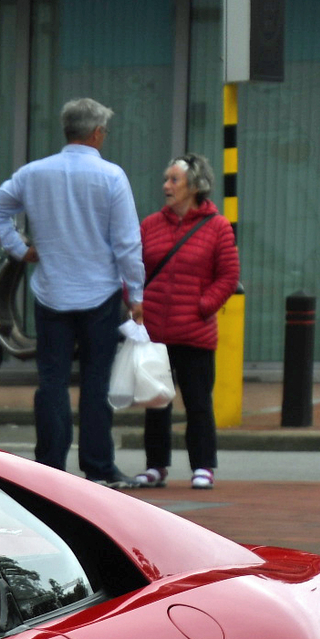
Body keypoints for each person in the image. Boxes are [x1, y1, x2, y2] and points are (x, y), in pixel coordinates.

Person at [0, 99, 144, 483]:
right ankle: (99, 466)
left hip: (51, 292)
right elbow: (127, 242)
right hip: (100, 293)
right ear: (98, 133)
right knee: (96, 381)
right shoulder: (111, 177)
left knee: (51, 381)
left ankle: (51, 467)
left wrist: (21, 249)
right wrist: (135, 293)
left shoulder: (34, 173)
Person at [124, 154, 238, 491]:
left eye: (174, 180)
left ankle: (203, 465)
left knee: (198, 403)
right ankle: (155, 466)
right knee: (155, 401)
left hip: (194, 332)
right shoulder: (150, 225)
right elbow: (133, 269)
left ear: (195, 185)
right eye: (166, 179)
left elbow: (228, 276)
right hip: (155, 332)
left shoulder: (216, 226)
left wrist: (203, 306)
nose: (166, 186)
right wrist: (133, 301)